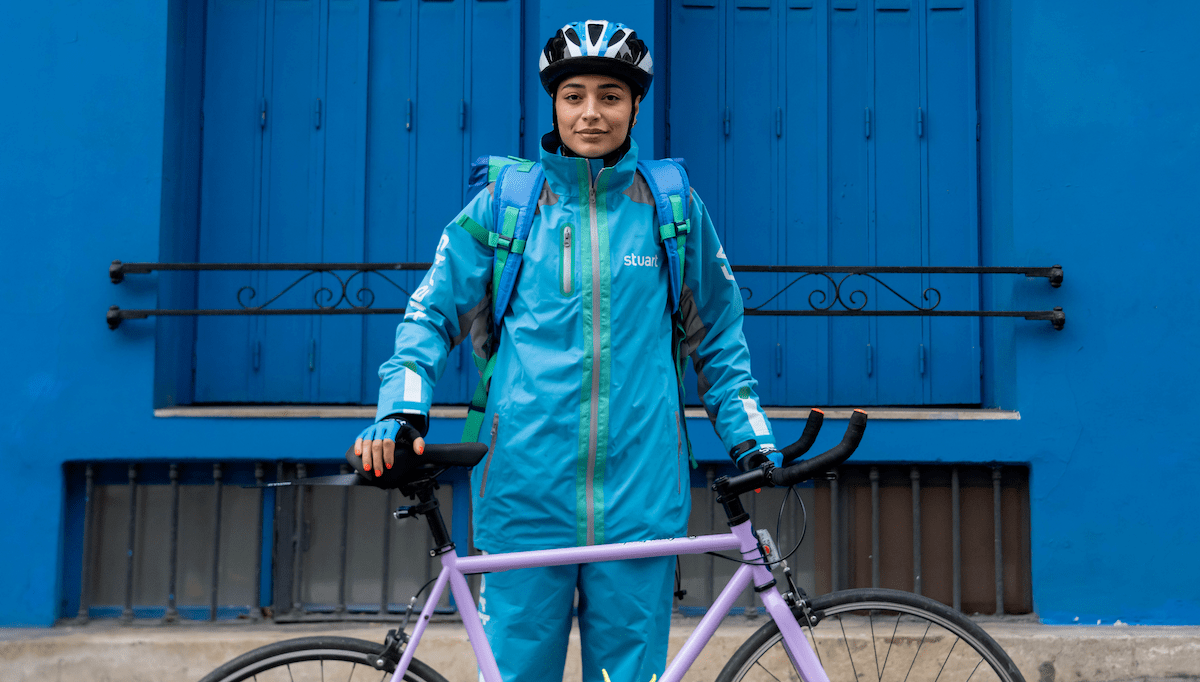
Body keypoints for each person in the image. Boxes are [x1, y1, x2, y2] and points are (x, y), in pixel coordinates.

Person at [354, 19, 780, 682]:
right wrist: (401, 410)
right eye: (574, 94)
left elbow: (719, 335)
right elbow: (430, 312)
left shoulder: (673, 208)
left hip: (641, 502)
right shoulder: (505, 206)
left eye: (610, 95)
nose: (591, 112)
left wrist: (750, 435)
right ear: (552, 103)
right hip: (524, 492)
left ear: (635, 105)